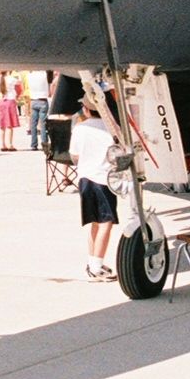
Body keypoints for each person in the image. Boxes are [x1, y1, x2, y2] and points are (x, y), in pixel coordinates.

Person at [67, 97, 117, 281]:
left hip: (85, 178)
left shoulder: (80, 128)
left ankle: (93, 261)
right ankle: (96, 266)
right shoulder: (111, 127)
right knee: (106, 222)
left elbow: (74, 156)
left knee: (95, 221)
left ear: (86, 110)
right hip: (104, 178)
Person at [26, 69, 51, 150]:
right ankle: (44, 144)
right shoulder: (44, 74)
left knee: (33, 124)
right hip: (43, 100)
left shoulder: (30, 75)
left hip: (33, 100)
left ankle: (33, 144)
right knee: (43, 124)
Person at [0, 74, 20, 150]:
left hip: (2, 101)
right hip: (10, 100)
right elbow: (19, 82)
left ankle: (2, 144)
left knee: (2, 125)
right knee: (10, 125)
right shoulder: (11, 79)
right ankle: (10, 144)